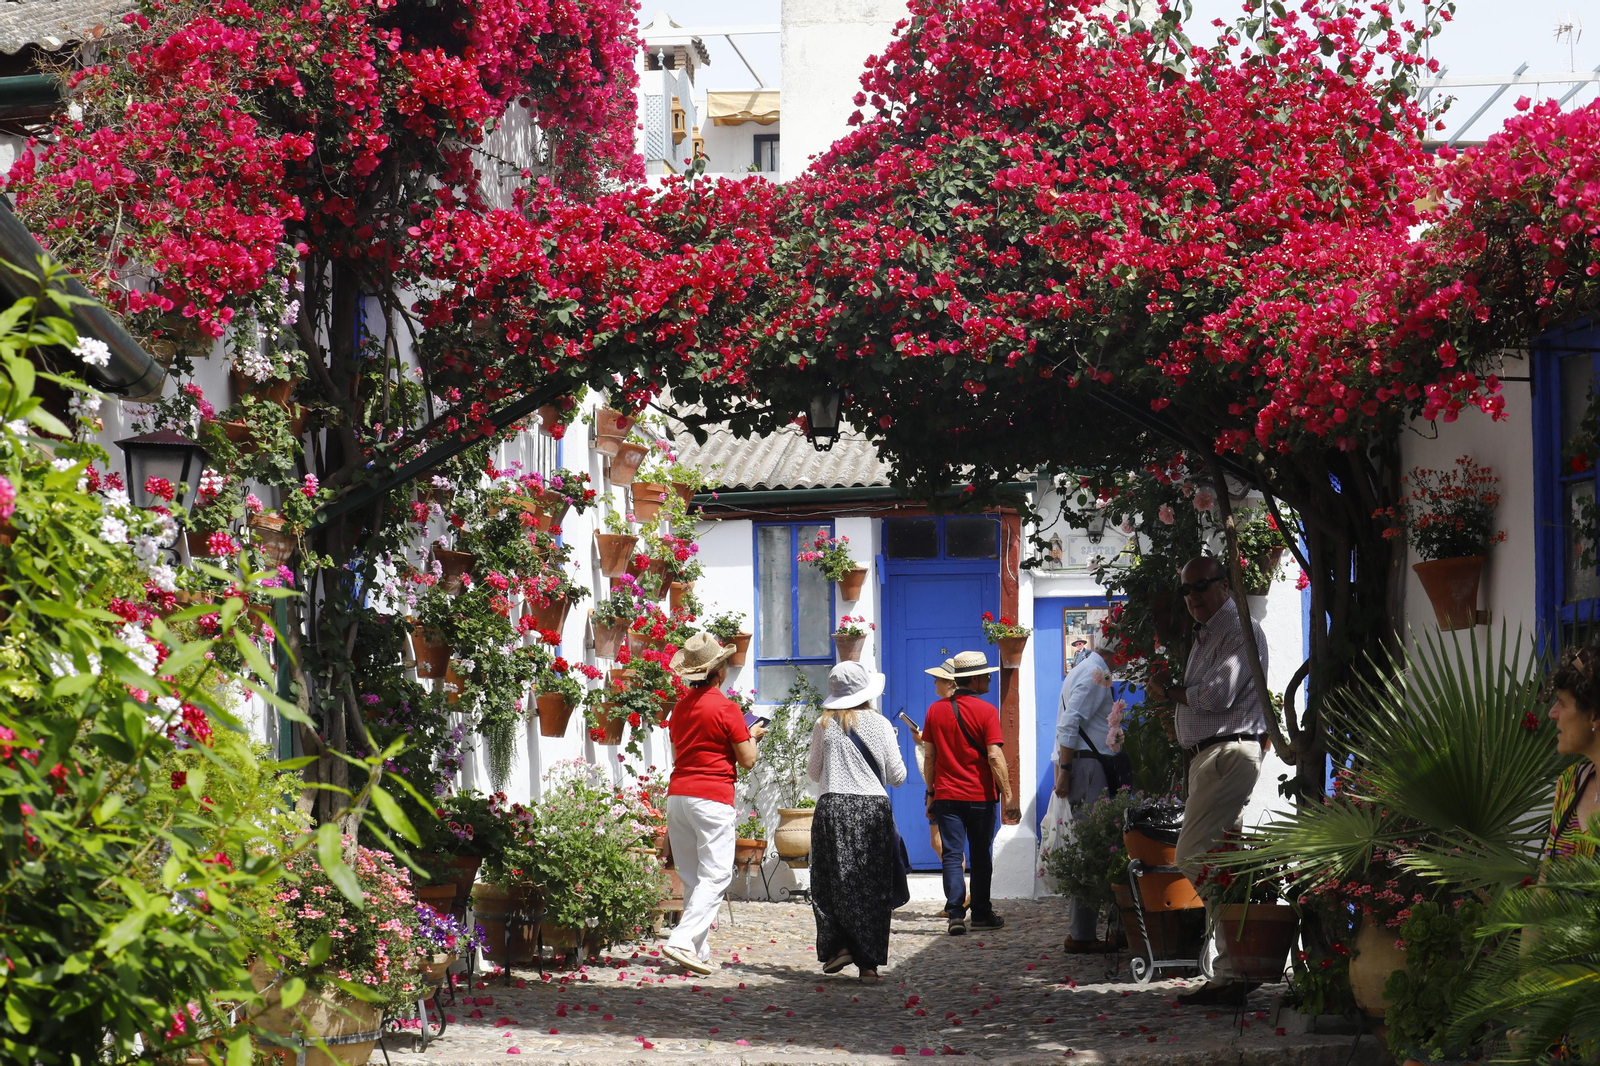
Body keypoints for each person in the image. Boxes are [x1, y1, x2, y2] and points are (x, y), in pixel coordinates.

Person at [1146, 555, 1270, 1006]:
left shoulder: (1238, 628)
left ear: (1224, 585)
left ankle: (1246, 938)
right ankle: (1235, 968)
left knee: (1194, 853)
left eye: (1201, 587)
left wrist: (1169, 691)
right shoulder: (1209, 633)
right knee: (1221, 859)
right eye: (1187, 590)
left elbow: (1216, 695)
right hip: (1213, 757)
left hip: (1227, 754)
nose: (1192, 597)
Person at [660, 633, 766, 975]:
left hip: (679, 795)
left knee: (693, 877)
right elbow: (747, 760)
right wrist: (752, 737)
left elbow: (682, 752)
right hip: (712, 795)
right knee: (717, 873)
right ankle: (681, 938)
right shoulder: (726, 707)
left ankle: (696, 948)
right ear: (718, 670)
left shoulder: (679, 709)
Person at [806, 661, 907, 984]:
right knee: (872, 885)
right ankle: (869, 966)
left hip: (833, 807)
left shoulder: (823, 724)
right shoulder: (880, 725)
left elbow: (813, 772)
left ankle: (838, 947)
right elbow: (898, 777)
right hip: (872, 810)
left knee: (829, 882)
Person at [922, 649, 1021, 936]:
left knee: (952, 854)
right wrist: (1009, 795)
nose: (990, 678)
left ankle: (954, 913)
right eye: (986, 674)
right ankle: (980, 913)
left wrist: (931, 792)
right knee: (980, 855)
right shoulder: (988, 712)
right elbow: (994, 756)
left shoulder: (935, 710)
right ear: (974, 680)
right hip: (980, 796)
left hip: (947, 796)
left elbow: (930, 757)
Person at [1054, 633, 1118, 952]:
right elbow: (1069, 722)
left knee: (1091, 845)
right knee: (1094, 848)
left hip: (1082, 765)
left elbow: (1066, 723)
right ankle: (1081, 935)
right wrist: (1064, 771)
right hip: (1087, 767)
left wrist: (1062, 768)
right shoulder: (1097, 673)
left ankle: (1088, 931)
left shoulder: (1083, 668)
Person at [1544, 643, 1600, 864]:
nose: (1552, 713)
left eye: (1562, 703)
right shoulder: (1569, 783)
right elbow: (1547, 878)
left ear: (1594, 714)